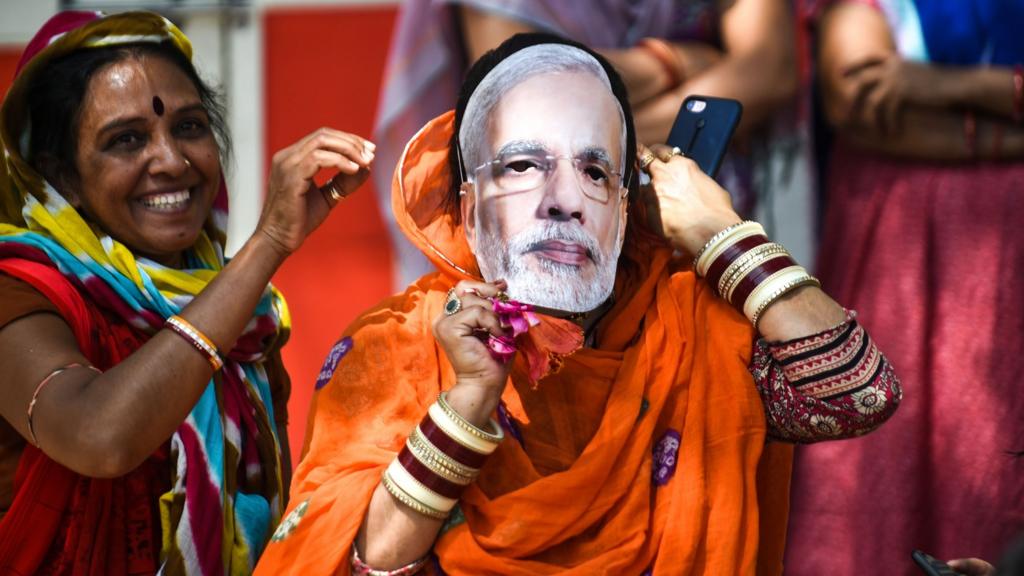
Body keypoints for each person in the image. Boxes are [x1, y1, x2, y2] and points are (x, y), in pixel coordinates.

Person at [256, 34, 900, 575]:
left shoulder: (688, 324)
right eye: (521, 166)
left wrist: (718, 237)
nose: (564, 198)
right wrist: (468, 401)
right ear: (466, 204)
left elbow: (856, 395)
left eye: (595, 172)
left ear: (626, 210)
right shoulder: (399, 346)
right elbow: (360, 566)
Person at [0, 11, 374, 574]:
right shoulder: (22, 289)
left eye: (190, 127)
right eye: (126, 140)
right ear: (61, 176)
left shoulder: (246, 319)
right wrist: (269, 241)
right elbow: (100, 436)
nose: (172, 161)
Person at [785, 1, 1024, 574]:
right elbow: (860, 100)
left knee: (994, 453)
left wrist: (934, 84)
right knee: (880, 454)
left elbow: (896, 98)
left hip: (1006, 275)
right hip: (898, 255)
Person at [374, 0, 818, 290]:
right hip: (554, 234)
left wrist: (595, 145)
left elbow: (769, 71)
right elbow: (526, 81)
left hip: (697, 215)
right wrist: (674, 62)